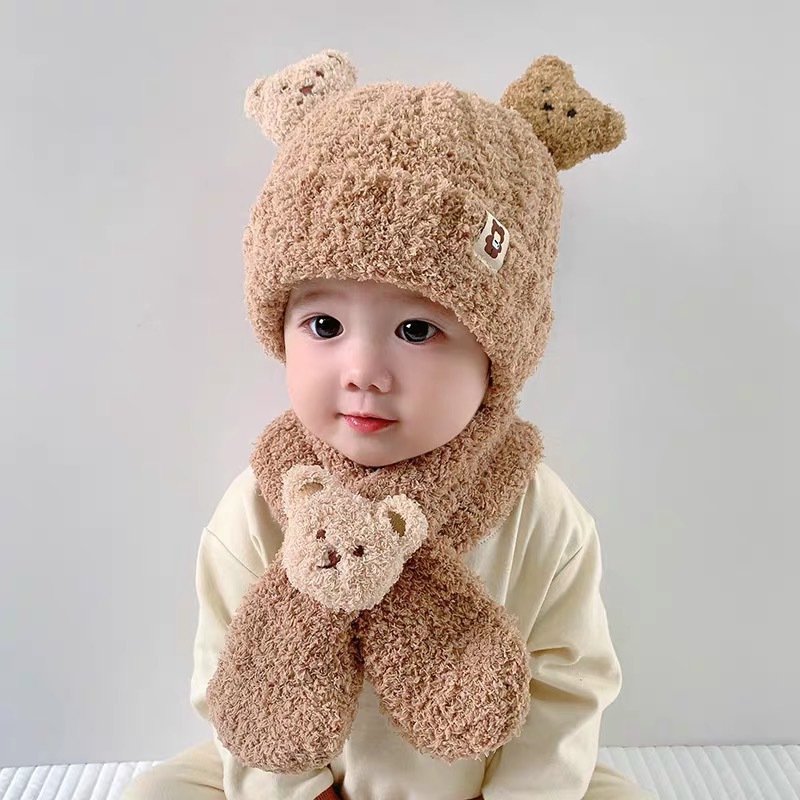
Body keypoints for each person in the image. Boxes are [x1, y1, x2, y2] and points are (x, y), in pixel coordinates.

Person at [121, 48, 654, 800]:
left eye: (416, 330)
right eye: (325, 324)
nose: (362, 371)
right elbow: (227, 668)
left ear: (498, 353)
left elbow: (569, 686)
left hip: (479, 782)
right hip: (301, 781)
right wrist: (298, 792)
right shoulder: (264, 503)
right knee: (158, 792)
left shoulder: (538, 516)